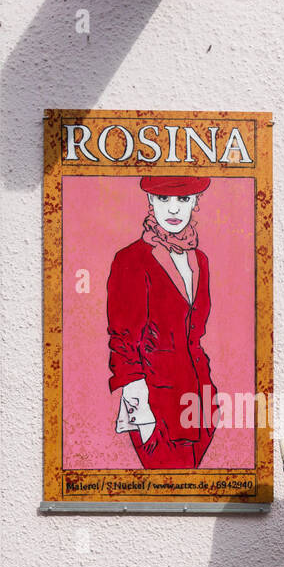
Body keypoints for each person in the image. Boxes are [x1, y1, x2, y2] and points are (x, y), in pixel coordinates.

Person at [106, 176, 221, 469]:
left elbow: (195, 332)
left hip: (199, 397)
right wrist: (140, 409)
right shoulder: (131, 259)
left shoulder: (200, 260)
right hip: (155, 401)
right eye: (163, 199)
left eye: (183, 199)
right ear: (150, 200)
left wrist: (209, 401)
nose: (173, 209)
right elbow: (123, 339)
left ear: (195, 202)